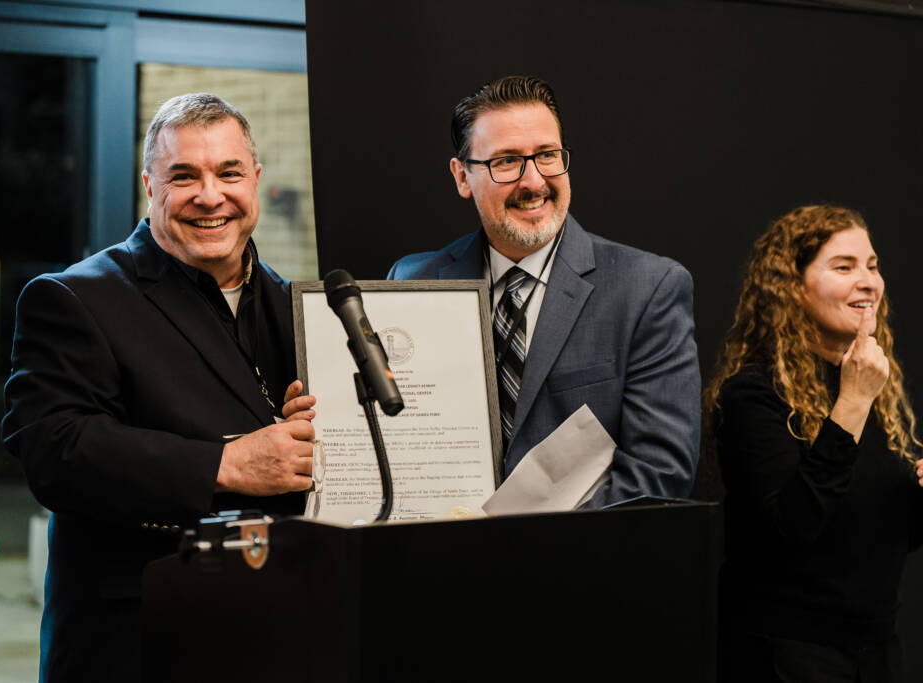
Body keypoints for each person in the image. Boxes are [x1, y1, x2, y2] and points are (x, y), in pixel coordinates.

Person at [1, 93, 318, 683]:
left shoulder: (300, 306)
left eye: (228, 173)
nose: (210, 195)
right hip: (136, 647)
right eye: (184, 176)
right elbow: (53, 448)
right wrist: (223, 465)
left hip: (277, 634)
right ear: (150, 186)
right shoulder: (73, 297)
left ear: (255, 180)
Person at [388, 75, 700, 507]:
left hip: (577, 564)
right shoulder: (411, 282)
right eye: (507, 161)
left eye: (547, 156)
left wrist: (524, 542)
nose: (533, 181)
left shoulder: (648, 290)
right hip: (437, 558)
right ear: (462, 177)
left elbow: (658, 474)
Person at [705, 205, 923, 682]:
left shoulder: (870, 384)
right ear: (792, 287)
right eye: (843, 267)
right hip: (789, 655)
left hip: (877, 651)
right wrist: (853, 401)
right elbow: (793, 528)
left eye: (872, 265)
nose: (869, 281)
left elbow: (878, 534)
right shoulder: (753, 394)